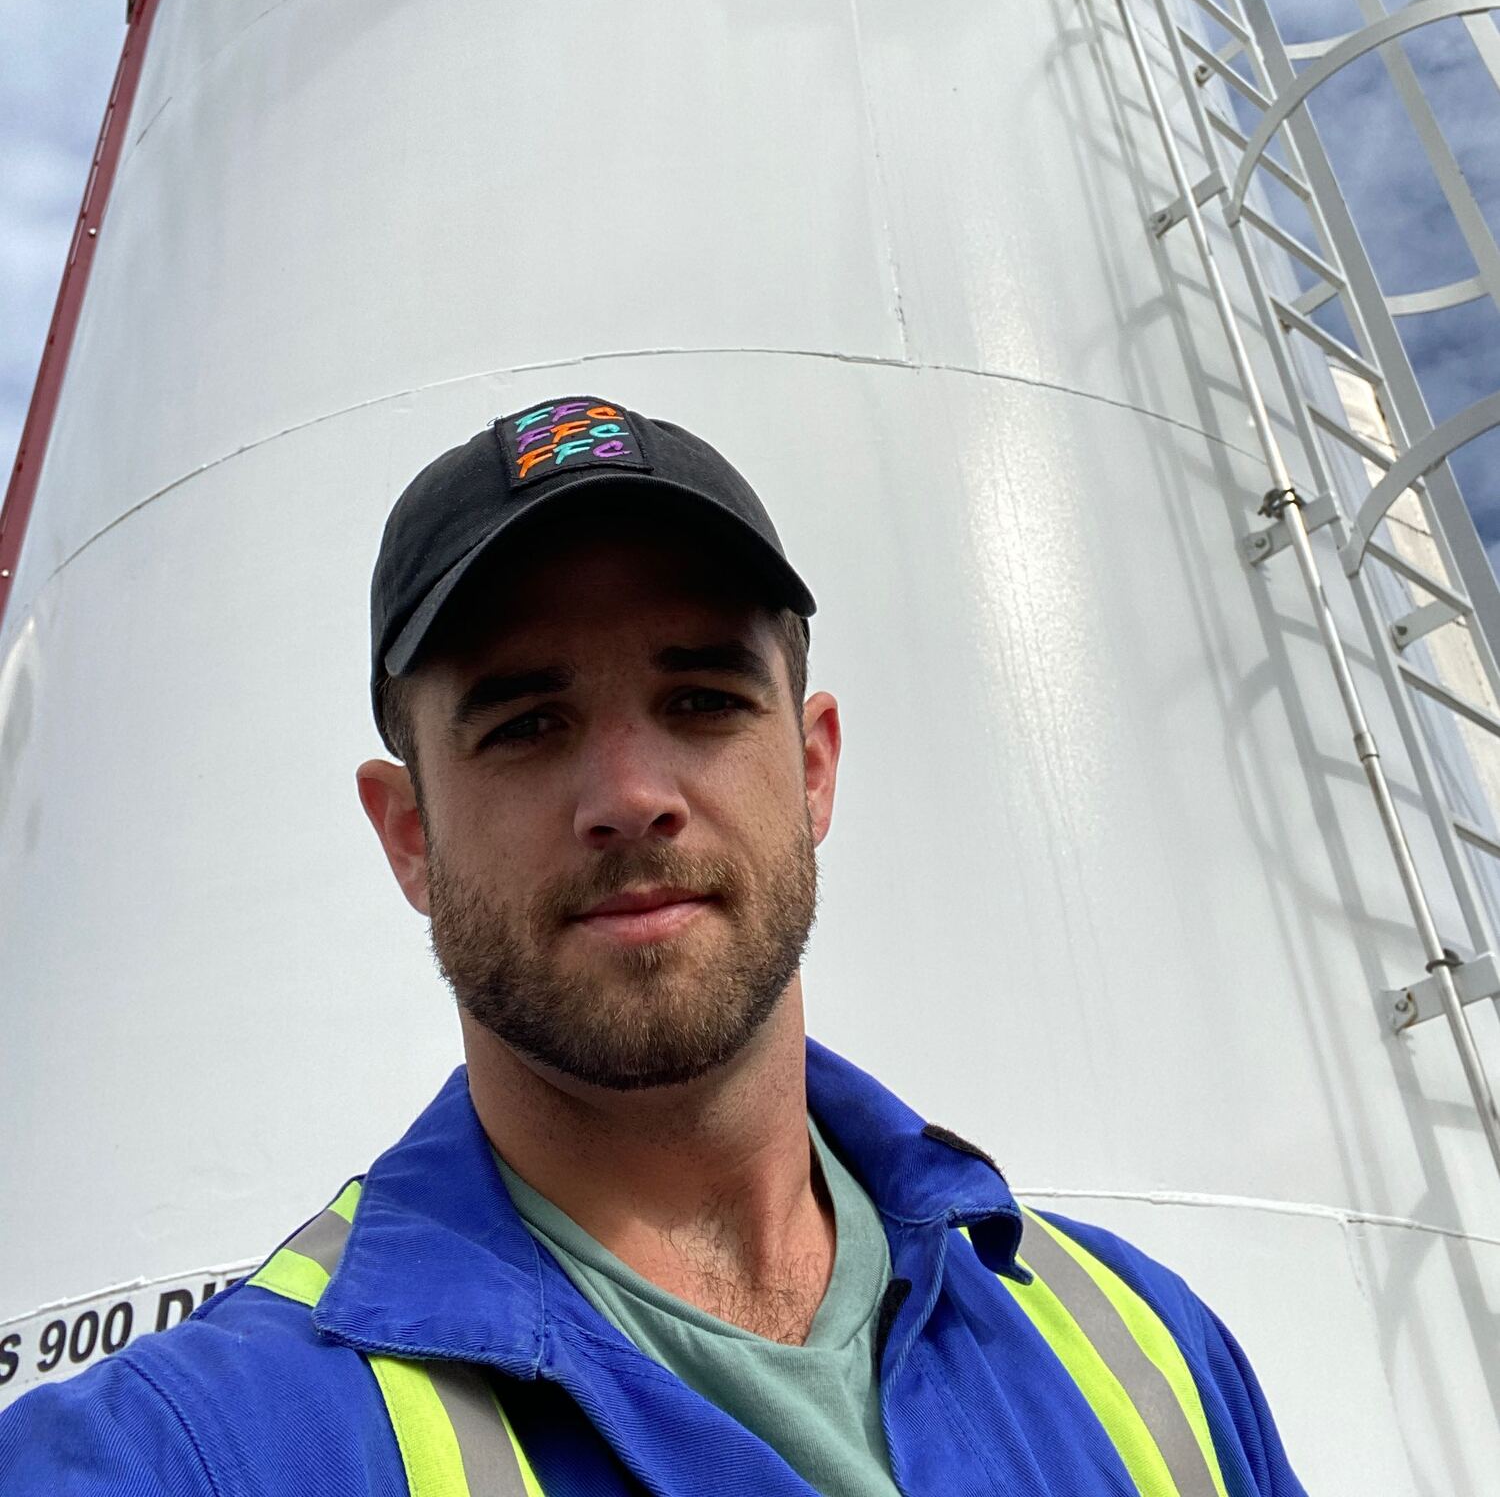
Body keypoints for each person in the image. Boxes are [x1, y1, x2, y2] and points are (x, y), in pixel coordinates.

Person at [0, 396, 1307, 1496]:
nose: (629, 796)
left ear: (813, 768)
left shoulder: (1149, 1351)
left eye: (700, 699)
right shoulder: (190, 1454)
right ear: (409, 836)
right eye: (525, 724)